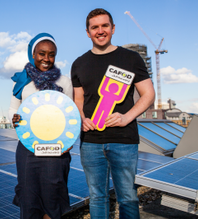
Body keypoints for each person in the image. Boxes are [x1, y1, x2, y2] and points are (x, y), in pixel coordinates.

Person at [71, 8, 155, 219]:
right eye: (95, 27)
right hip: (90, 141)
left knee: (127, 196)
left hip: (124, 140)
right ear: (88, 32)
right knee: (97, 197)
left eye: (104, 26)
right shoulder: (78, 64)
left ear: (113, 28)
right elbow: (78, 100)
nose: (100, 31)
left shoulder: (131, 58)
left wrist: (127, 117)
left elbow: (148, 94)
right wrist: (81, 119)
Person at [9, 33, 73, 219]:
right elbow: (13, 110)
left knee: (53, 196)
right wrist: (14, 119)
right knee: (29, 196)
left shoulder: (64, 82)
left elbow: (71, 114)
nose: (46, 59)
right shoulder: (23, 81)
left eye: (51, 54)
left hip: (56, 148)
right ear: (33, 53)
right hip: (29, 147)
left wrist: (67, 144)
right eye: (41, 53)